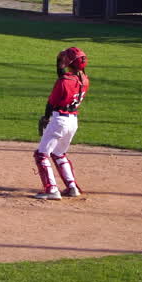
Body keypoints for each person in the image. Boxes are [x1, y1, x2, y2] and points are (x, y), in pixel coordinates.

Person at [33, 46, 89, 200]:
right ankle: (72, 187)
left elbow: (51, 103)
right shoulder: (84, 79)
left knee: (41, 155)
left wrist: (46, 117)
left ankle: (51, 190)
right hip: (72, 121)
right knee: (59, 154)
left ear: (70, 62)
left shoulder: (64, 82)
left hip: (59, 120)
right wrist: (59, 62)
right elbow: (64, 78)